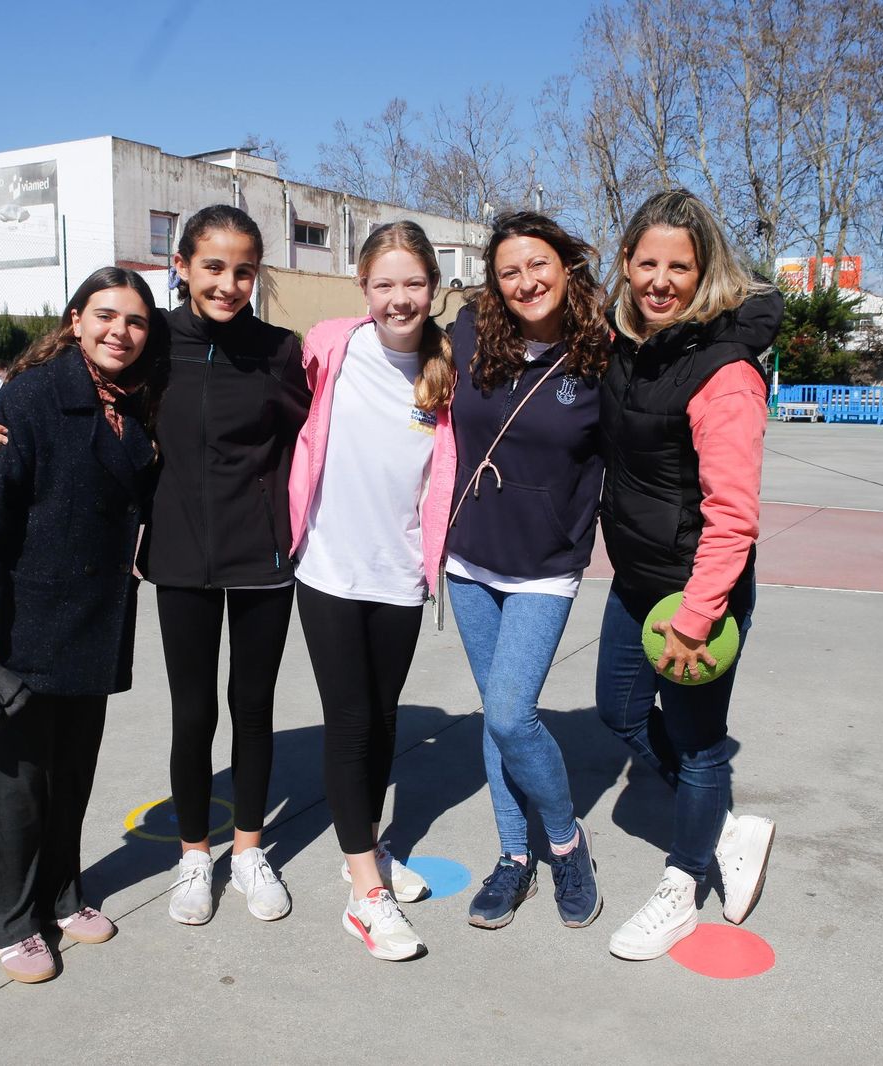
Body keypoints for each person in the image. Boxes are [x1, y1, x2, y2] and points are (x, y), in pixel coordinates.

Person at [0, 204, 308, 927]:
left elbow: (322, 431)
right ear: (181, 268)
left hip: (263, 557)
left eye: (243, 270)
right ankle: (195, 855)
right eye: (212, 267)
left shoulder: (282, 350)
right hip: (180, 557)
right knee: (194, 714)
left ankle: (248, 851)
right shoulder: (154, 345)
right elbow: (74, 369)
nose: (228, 284)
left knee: (253, 711)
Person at [0, 266, 165, 984]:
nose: (118, 332)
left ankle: (63, 895)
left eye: (134, 321)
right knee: (13, 787)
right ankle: (11, 920)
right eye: (104, 315)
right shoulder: (31, 399)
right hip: (20, 629)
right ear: (75, 320)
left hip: (91, 627)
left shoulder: (138, 403)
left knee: (70, 776)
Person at [595, 189, 782, 962]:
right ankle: (732, 827)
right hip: (636, 579)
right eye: (647, 263)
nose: (661, 280)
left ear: (706, 272)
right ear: (627, 265)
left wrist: (698, 616)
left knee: (701, 748)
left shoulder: (725, 372)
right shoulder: (631, 347)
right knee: (620, 712)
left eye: (680, 265)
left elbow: (733, 515)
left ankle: (683, 881)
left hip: (697, 593)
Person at [288, 221, 457, 960]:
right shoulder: (328, 345)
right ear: (363, 288)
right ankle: (365, 893)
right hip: (327, 566)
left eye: (413, 283)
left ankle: (374, 852)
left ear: (434, 288)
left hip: (400, 574)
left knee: (383, 720)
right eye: (384, 284)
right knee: (351, 719)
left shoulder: (449, 368)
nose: (399, 298)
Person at [442, 211, 606, 932]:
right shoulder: (471, 336)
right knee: (495, 717)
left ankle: (567, 844)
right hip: (469, 557)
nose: (525, 281)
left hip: (546, 564)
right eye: (509, 271)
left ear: (566, 265)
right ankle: (514, 858)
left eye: (537, 264)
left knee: (513, 713)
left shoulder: (605, 351)